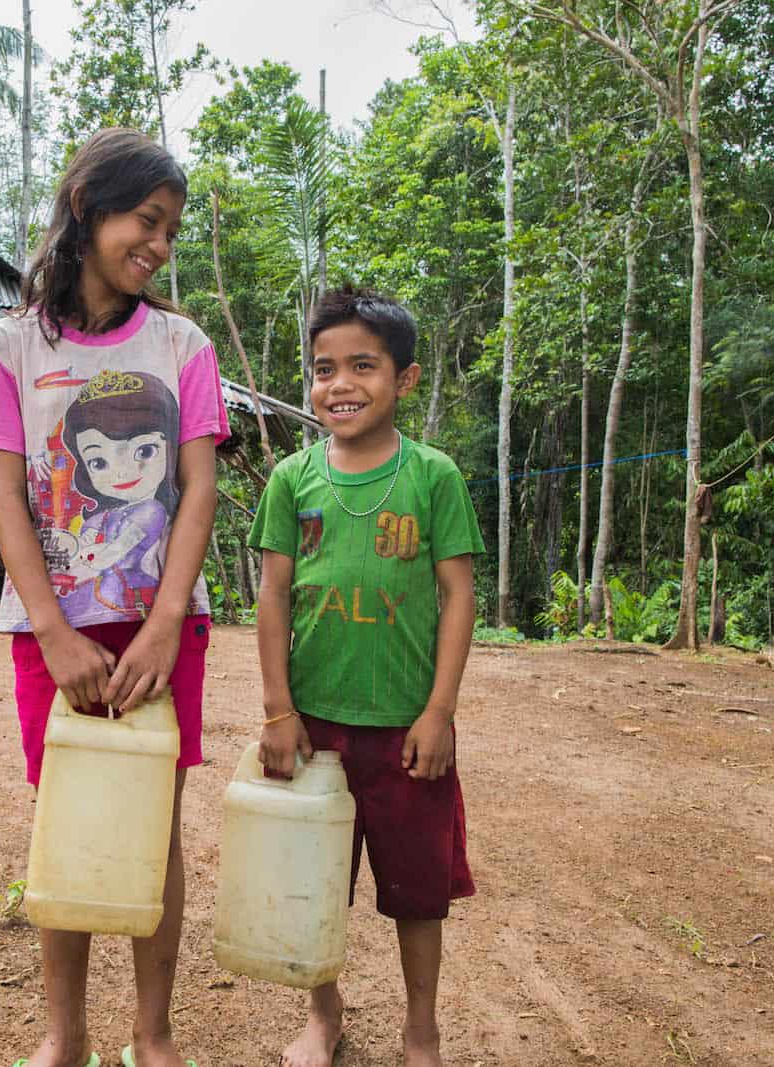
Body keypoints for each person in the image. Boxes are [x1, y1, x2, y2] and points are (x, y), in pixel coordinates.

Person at [0, 128, 227, 1067]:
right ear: (86, 207)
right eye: (145, 222)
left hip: (165, 627)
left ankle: (152, 1036)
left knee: (155, 827)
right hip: (54, 630)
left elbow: (198, 488)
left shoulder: (182, 344)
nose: (157, 245)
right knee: (65, 822)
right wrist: (53, 632)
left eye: (170, 231)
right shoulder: (5, 350)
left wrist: (163, 622)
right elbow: (6, 497)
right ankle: (63, 1036)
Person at [248, 287, 485, 1067]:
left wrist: (439, 711)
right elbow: (274, 594)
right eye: (323, 369)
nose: (340, 384)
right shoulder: (292, 478)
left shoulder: (434, 476)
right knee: (315, 883)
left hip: (406, 728)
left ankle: (423, 1029)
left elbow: (457, 594)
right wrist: (279, 709)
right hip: (317, 730)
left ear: (405, 379)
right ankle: (324, 1016)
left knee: (419, 893)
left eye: (362, 366)